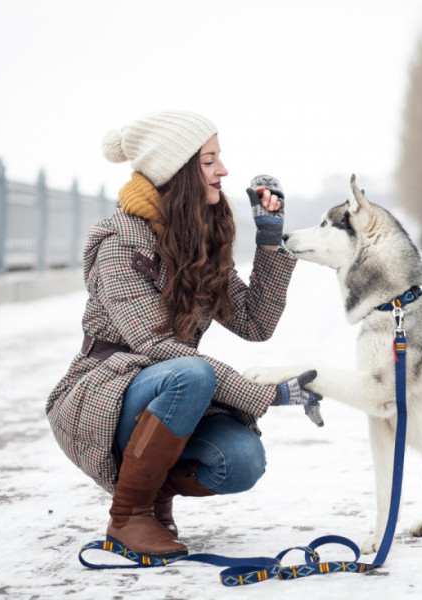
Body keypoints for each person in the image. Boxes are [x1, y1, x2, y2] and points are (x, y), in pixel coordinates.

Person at [45, 110, 322, 560]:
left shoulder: (198, 238)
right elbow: (156, 348)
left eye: (220, 158)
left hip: (173, 388)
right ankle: (128, 516)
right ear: (178, 170)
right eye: (209, 160)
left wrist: (270, 240)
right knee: (190, 373)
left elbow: (255, 322)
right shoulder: (119, 242)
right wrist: (263, 394)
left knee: (243, 461)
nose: (224, 170)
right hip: (106, 392)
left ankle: (154, 498)